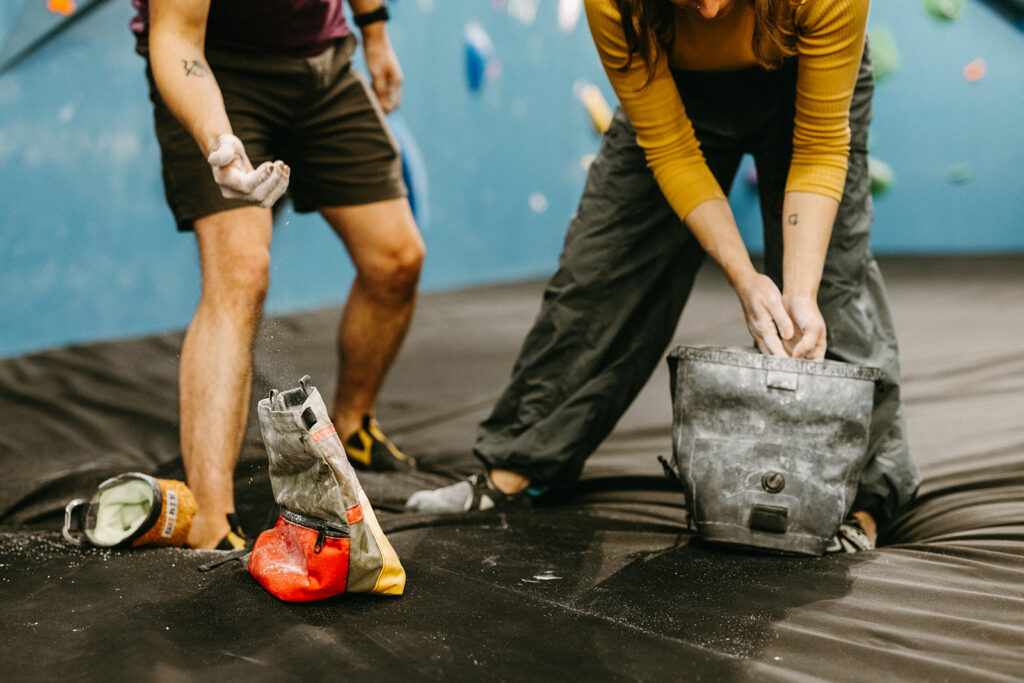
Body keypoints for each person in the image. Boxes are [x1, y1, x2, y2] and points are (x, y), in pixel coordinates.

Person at [407, 0, 920, 551]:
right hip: (675, 92)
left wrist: (799, 292)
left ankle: (857, 502)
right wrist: (744, 278)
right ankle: (521, 462)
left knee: (831, 297)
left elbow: (819, 146)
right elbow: (672, 149)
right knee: (599, 274)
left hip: (802, 80)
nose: (710, 8)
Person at [133, 0, 425, 549]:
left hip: (323, 64)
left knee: (397, 259)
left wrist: (376, 32)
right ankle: (211, 519)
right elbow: (174, 39)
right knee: (241, 268)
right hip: (220, 73)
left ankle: (355, 427)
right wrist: (219, 143)